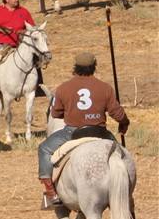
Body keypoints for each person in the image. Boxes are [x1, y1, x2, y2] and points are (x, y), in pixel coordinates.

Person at [36, 52, 129, 209]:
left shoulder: (64, 88)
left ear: (76, 67)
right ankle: (127, 198)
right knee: (122, 156)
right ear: (94, 67)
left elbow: (55, 113)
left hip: (72, 132)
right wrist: (124, 123)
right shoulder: (105, 87)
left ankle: (51, 193)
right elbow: (117, 113)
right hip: (100, 132)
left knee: (44, 149)